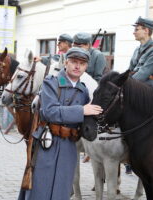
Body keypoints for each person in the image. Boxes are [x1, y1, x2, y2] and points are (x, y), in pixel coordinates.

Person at [18, 47, 103, 200]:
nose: (77, 66)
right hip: (47, 142)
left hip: (68, 146)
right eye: (74, 62)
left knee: (61, 189)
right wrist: (81, 111)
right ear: (66, 63)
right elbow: (50, 112)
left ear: (86, 67)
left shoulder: (84, 91)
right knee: (40, 188)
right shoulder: (51, 83)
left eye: (82, 63)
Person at [129, 16, 153, 92]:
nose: (133, 32)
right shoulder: (137, 50)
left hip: (151, 90)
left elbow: (143, 74)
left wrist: (125, 84)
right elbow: (129, 71)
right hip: (137, 86)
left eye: (137, 29)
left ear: (146, 30)